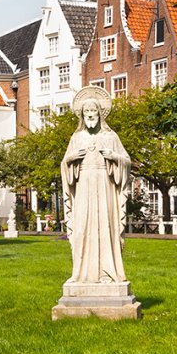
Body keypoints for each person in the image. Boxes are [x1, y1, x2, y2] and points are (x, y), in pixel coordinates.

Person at [61, 86, 131, 284]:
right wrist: (71, 158)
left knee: (105, 227)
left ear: (100, 113)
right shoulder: (76, 138)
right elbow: (65, 166)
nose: (90, 115)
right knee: (83, 227)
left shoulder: (111, 137)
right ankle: (82, 274)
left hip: (105, 186)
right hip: (83, 187)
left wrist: (115, 157)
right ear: (81, 115)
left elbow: (127, 161)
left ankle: (107, 272)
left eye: (93, 111)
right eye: (86, 112)